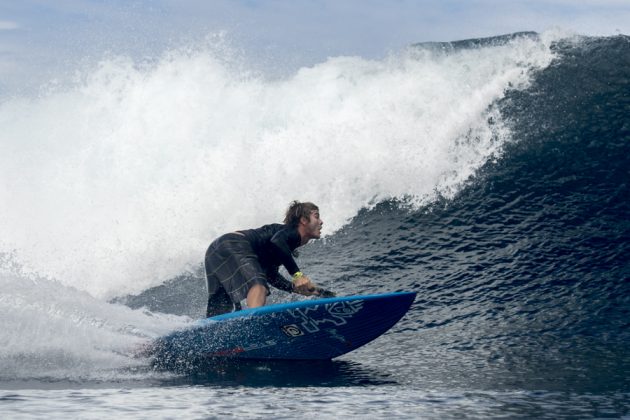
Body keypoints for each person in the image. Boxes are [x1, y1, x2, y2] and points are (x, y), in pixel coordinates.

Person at [204, 200, 332, 317]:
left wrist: (293, 288)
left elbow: (270, 275)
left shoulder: (277, 246)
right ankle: (251, 326)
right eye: (316, 216)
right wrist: (298, 275)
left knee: (221, 305)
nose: (321, 222)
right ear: (303, 220)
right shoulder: (289, 233)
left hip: (214, 251)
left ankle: (210, 332)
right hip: (234, 243)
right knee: (259, 286)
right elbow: (277, 242)